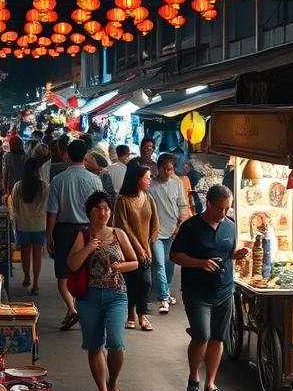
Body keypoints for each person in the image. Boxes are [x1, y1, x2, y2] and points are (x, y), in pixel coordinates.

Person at [170, 185, 249, 391]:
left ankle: (210, 385)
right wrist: (199, 263)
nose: (223, 213)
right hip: (197, 291)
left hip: (224, 289)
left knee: (218, 337)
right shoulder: (191, 227)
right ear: (208, 204)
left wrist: (236, 255)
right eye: (219, 208)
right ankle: (194, 379)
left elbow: (227, 253)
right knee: (201, 335)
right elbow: (174, 255)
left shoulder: (230, 226)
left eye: (227, 208)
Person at [67, 191, 138, 391]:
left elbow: (135, 262)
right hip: (88, 298)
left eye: (106, 208)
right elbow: (72, 264)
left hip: (116, 295)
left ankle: (113, 384)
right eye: (98, 208)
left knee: (116, 342)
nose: (103, 212)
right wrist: (88, 248)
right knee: (94, 344)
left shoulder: (118, 234)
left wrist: (119, 267)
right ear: (89, 212)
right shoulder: (83, 235)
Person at [46, 139, 107, 330]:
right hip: (88, 230)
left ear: (67, 155)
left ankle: (72, 309)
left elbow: (52, 211)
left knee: (63, 274)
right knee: (86, 272)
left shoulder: (58, 180)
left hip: (64, 231)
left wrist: (49, 235)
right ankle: (81, 310)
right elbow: (101, 209)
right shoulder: (95, 180)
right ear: (85, 156)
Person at [113, 159, 159, 331]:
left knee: (146, 282)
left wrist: (149, 244)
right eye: (147, 177)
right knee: (131, 282)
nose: (149, 180)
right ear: (137, 179)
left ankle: (142, 313)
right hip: (128, 250)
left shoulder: (148, 198)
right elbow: (123, 227)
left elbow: (155, 223)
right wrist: (139, 248)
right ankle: (131, 313)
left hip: (146, 249)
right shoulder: (123, 201)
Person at [148, 153, 187, 314]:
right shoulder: (150, 185)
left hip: (172, 230)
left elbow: (182, 205)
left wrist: (180, 224)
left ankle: (167, 290)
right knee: (159, 263)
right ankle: (163, 298)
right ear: (159, 168)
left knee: (170, 262)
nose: (168, 172)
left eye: (171, 169)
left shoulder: (177, 183)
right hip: (156, 232)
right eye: (166, 169)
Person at [10, 157, 48, 293]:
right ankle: (36, 283)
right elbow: (47, 206)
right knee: (37, 255)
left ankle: (27, 277)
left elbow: (14, 206)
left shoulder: (18, 186)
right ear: (37, 170)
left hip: (23, 225)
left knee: (25, 254)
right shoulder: (44, 186)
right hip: (39, 225)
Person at [1, 135, 27, 199]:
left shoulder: (7, 156)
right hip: (24, 185)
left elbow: (5, 173)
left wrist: (4, 188)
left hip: (11, 185)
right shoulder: (26, 156)